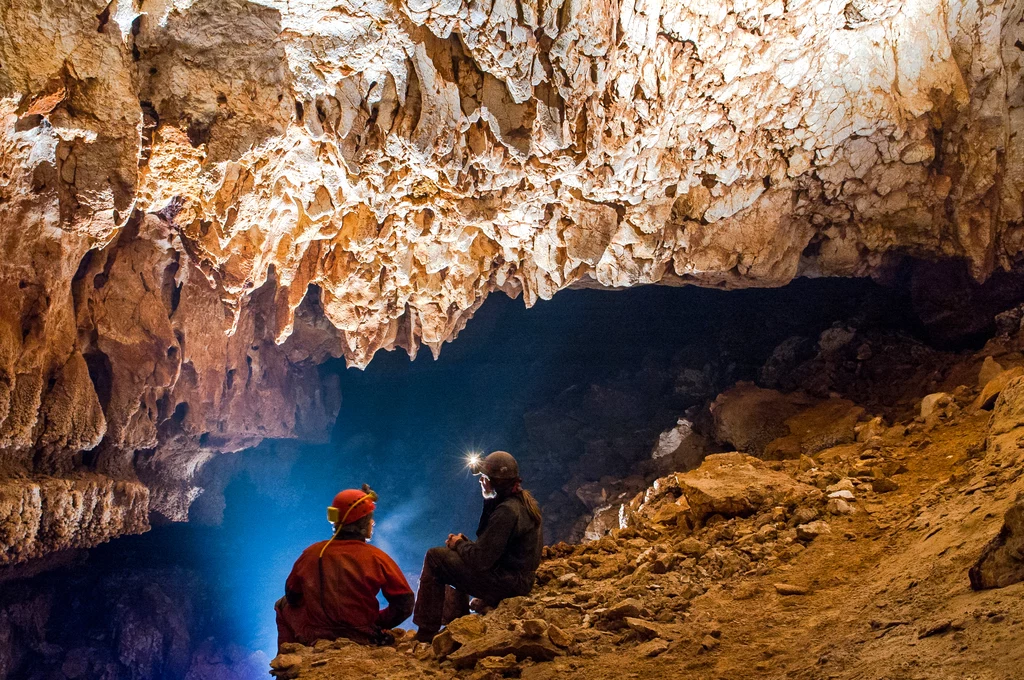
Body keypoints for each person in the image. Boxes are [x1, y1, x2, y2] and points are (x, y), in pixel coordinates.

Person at [413, 451, 543, 642]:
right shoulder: (522, 502)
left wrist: (459, 544)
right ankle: (455, 620)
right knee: (457, 552)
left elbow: (481, 560)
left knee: (436, 557)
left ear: (492, 481)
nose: (481, 481)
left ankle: (426, 633)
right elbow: (491, 543)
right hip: (517, 578)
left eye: (484, 477)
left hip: (509, 583)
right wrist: (464, 543)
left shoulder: (506, 511)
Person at [275, 485, 414, 649]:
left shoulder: (312, 553)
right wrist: (378, 622)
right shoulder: (377, 558)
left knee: (282, 604)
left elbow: (292, 595)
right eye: (370, 519)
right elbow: (404, 603)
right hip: (363, 635)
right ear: (364, 525)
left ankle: (289, 659)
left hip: (317, 635)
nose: (373, 522)